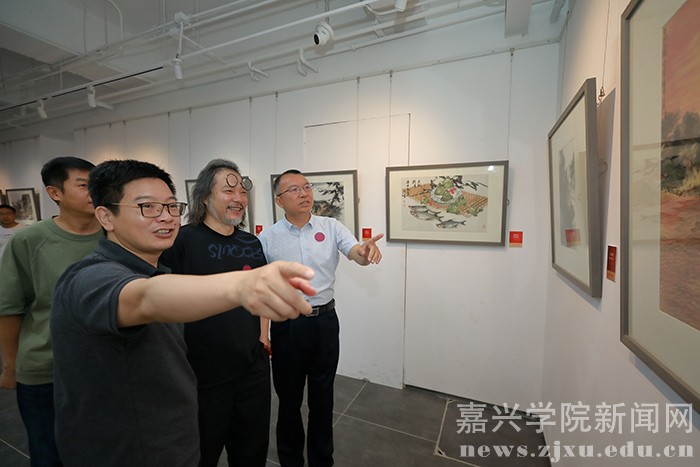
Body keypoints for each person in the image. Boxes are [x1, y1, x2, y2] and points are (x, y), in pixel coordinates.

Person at [50, 159, 316, 467]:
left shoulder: (158, 266)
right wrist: (242, 286)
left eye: (170, 206)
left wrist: (261, 335)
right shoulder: (89, 278)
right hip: (136, 443)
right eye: (147, 207)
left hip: (203, 407)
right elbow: (145, 298)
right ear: (106, 216)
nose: (165, 216)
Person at [258, 169, 383, 467]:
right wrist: (263, 334)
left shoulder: (331, 227)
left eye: (306, 187)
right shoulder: (267, 238)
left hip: (325, 323)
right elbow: (261, 288)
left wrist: (366, 252)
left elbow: (356, 253)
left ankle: (322, 460)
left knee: (323, 398)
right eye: (294, 189)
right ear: (279, 200)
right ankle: (290, 460)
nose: (303, 193)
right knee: (288, 401)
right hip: (287, 325)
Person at [160, 159, 271, 467]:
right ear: (205, 198)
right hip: (201, 373)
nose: (238, 198)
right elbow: (163, 301)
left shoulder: (251, 242)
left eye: (242, 192)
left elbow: (261, 292)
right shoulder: (181, 241)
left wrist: (263, 338)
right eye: (228, 190)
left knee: (251, 450)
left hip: (251, 366)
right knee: (201, 452)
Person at [0, 156, 102, 466]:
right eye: (83, 185)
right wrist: (10, 367)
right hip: (46, 369)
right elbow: (10, 308)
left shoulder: (116, 234)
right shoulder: (29, 240)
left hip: (104, 367)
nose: (94, 191)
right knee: (48, 452)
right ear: (54, 192)